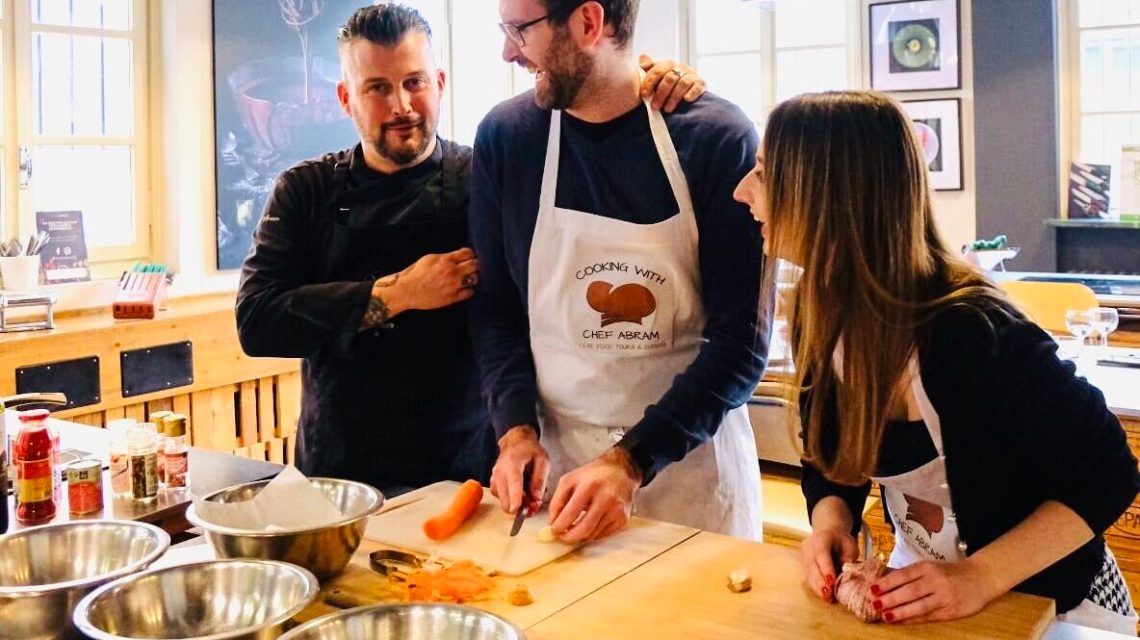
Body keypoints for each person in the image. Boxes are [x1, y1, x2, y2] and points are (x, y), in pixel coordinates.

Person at [236, 3, 706, 496]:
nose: (401, 105)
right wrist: (398, 292)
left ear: (439, 82)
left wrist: (649, 79)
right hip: (338, 472)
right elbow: (258, 322)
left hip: (468, 471)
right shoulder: (304, 191)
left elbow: (506, 317)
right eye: (377, 88)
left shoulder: (486, 172)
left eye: (414, 82)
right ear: (344, 97)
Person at [732, 90, 1140, 633]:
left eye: (762, 172)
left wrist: (978, 576)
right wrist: (830, 521)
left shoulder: (972, 330)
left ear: (828, 192)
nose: (743, 192)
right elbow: (833, 459)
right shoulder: (818, 309)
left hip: (1055, 605)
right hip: (927, 594)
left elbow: (1108, 472)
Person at [469, 0, 770, 544]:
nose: (508, 51)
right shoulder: (507, 140)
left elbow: (741, 344)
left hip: (691, 482)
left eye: (520, 30)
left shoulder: (715, 139)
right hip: (559, 484)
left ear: (588, 23)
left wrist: (631, 461)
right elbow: (497, 313)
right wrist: (514, 431)